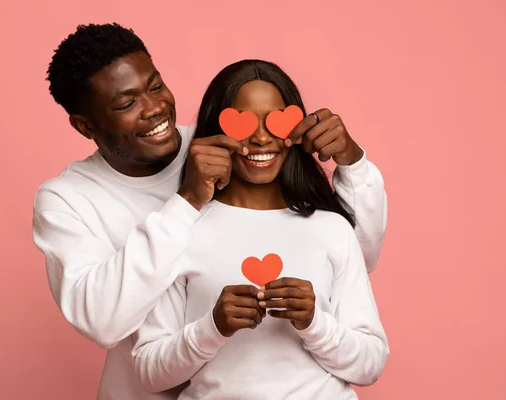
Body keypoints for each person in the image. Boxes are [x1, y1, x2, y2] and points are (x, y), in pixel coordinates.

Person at [32, 23, 387, 400]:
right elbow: (102, 320)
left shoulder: (225, 141)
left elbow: (351, 250)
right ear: (85, 126)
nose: (154, 110)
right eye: (126, 103)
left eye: (155, 86)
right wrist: (186, 201)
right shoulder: (66, 200)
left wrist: (352, 163)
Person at [131, 59, 389, 399]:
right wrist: (213, 327)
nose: (262, 137)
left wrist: (314, 323)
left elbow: (371, 364)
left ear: (296, 131)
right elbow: (149, 373)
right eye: (243, 124)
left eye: (276, 123)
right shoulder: (180, 228)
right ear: (215, 131)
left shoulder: (332, 228)